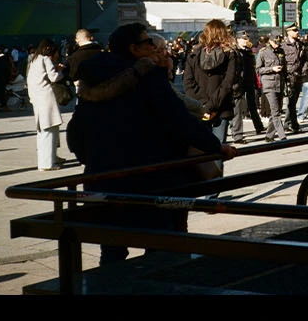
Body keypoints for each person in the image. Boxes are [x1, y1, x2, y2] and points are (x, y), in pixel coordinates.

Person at [67, 22, 235, 265]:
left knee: (113, 248)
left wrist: (91, 157)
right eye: (148, 42)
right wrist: (216, 147)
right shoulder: (146, 76)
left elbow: (75, 131)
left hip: (103, 176)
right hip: (149, 178)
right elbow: (178, 118)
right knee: (163, 247)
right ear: (134, 49)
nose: (153, 47)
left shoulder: (92, 79)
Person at [182, 20, 240, 165]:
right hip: (221, 108)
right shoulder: (231, 54)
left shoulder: (193, 54)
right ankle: (216, 184)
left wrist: (203, 106)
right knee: (220, 150)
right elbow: (228, 84)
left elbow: (188, 83)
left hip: (198, 109)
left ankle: (205, 185)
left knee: (200, 150)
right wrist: (211, 106)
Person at [27, 38, 69, 170]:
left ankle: (50, 158)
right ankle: (47, 164)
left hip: (37, 98)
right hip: (46, 97)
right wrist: (61, 71)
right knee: (49, 131)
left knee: (43, 131)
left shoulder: (34, 60)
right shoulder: (45, 59)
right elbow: (54, 77)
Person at [228, 32, 265, 142]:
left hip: (249, 81)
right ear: (237, 39)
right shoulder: (234, 52)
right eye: (243, 39)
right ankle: (237, 133)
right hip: (238, 82)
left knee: (252, 105)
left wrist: (255, 82)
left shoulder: (248, 52)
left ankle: (258, 126)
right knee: (237, 109)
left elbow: (252, 68)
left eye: (246, 38)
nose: (245, 40)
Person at [255, 36, 286, 143]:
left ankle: (269, 135)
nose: (277, 44)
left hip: (279, 84)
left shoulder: (281, 51)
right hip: (269, 84)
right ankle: (283, 136)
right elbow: (258, 69)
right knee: (276, 111)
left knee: (276, 110)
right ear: (270, 41)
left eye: (279, 42)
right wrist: (271, 69)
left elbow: (284, 67)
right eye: (275, 42)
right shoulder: (263, 52)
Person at [279, 28, 305, 134]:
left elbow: (304, 60)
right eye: (294, 30)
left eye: (297, 30)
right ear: (288, 32)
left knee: (293, 102)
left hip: (298, 76)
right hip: (288, 77)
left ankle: (292, 124)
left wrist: (304, 71)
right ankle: (289, 124)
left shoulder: (300, 44)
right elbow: (281, 61)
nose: (297, 32)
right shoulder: (283, 46)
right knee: (290, 102)